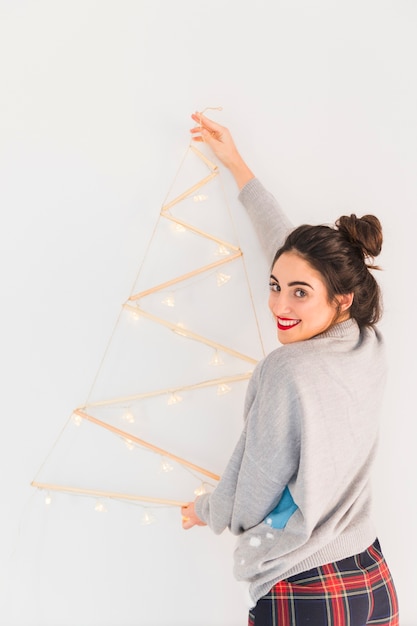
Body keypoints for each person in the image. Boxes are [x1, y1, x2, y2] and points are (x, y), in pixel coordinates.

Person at [181, 112, 399, 626]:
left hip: (304, 592)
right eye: (276, 285)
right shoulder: (367, 342)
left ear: (340, 299)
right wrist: (237, 165)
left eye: (299, 293)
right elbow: (290, 249)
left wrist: (207, 510)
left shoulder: (287, 370)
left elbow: (256, 481)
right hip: (372, 578)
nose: (281, 302)